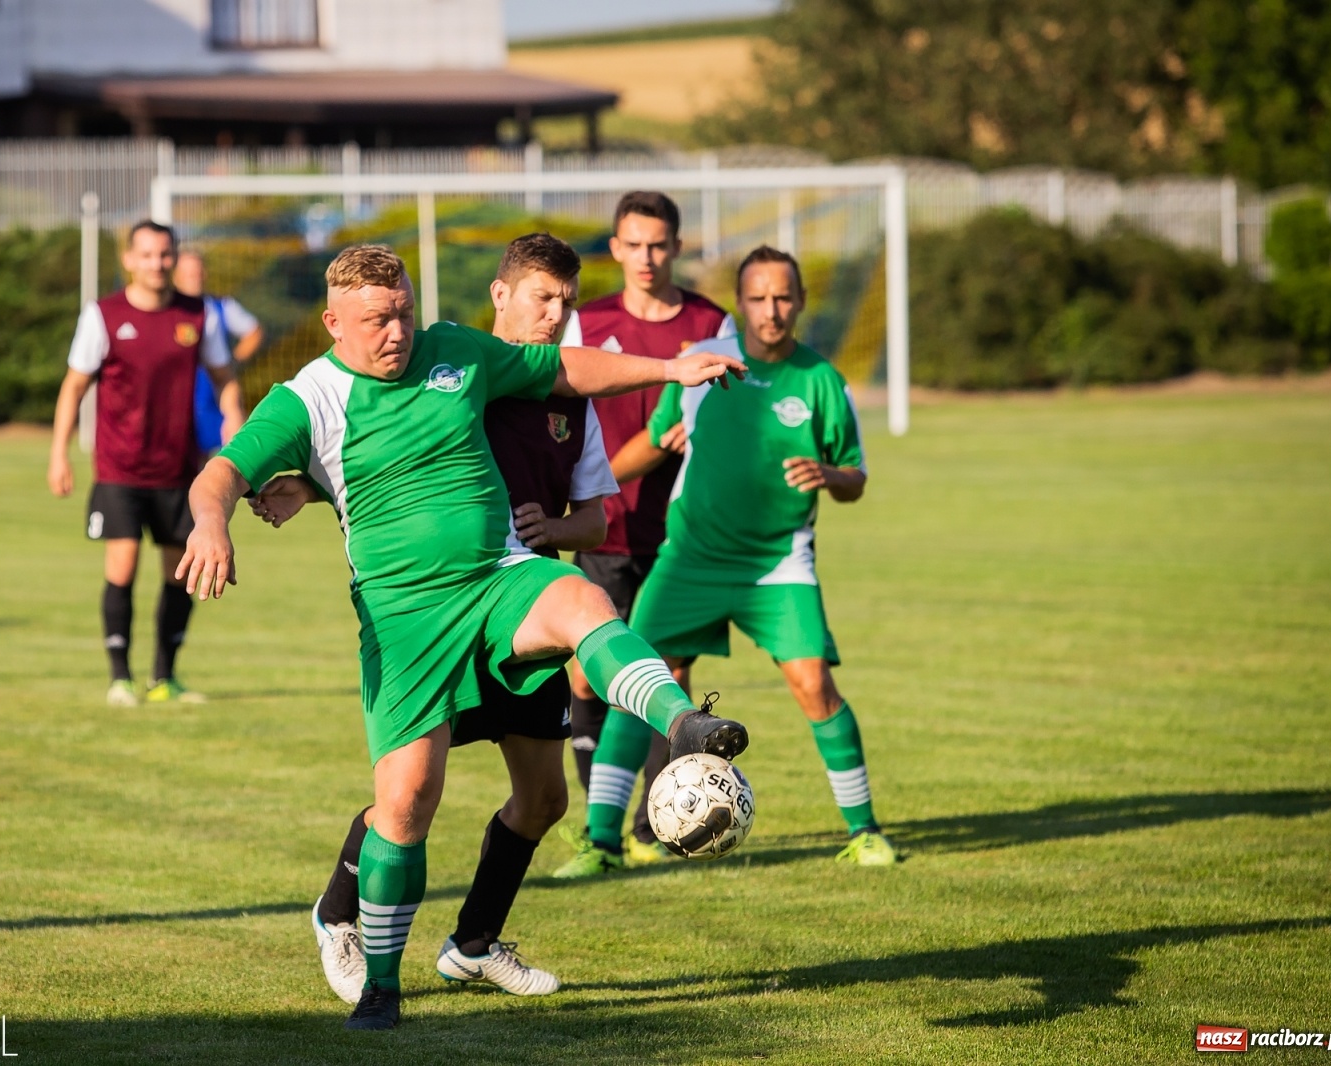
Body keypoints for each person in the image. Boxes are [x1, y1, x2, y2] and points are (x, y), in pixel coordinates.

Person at [176, 243, 751, 1031]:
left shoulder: (454, 348)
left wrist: (670, 369)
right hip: (405, 618)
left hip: (497, 579)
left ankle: (682, 724)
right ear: (334, 323)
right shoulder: (307, 398)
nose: (398, 332)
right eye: (379, 319)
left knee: (580, 599)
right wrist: (213, 527)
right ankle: (381, 985)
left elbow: (560, 372)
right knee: (406, 802)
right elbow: (221, 474)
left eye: (405, 312)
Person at [254, 234, 615, 1003]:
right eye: (540, 299)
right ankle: (339, 912)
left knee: (547, 799)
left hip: (518, 610)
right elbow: (379, 456)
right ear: (501, 297)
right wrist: (307, 484)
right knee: (408, 794)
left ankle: (474, 944)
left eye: (565, 302)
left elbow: (594, 518)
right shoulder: (448, 366)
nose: (553, 317)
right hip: (435, 611)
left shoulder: (564, 401)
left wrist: (557, 533)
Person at [570, 245, 897, 875]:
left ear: (800, 301)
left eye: (782, 297)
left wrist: (829, 474)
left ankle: (865, 831)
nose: (771, 310)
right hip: (689, 558)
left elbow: (856, 477)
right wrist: (589, 487)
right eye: (757, 298)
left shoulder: (823, 381)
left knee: (814, 686)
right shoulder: (708, 368)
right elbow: (654, 441)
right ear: (739, 305)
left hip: (778, 564)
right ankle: (601, 843)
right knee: (637, 685)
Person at [555, 190, 737, 873]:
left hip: (678, 529)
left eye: (658, 244)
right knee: (584, 675)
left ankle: (645, 825)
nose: (646, 257)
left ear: (677, 247)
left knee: (668, 672)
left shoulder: (709, 322)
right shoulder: (585, 320)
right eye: (633, 244)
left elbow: (729, 417)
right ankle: (596, 824)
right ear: (615, 248)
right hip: (601, 516)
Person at [46, 221, 244, 707]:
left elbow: (226, 377)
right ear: (129, 260)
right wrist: (59, 453)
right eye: (148, 255)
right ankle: (119, 678)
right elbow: (74, 386)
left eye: (165, 254)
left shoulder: (199, 315)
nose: (158, 263)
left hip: (180, 470)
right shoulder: (103, 316)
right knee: (123, 564)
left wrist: (234, 419)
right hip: (120, 469)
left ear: (174, 258)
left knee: (179, 573)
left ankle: (164, 678)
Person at [173, 250, 264, 456]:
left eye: (197, 272)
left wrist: (234, 360)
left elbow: (254, 331)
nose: (193, 278)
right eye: (188, 273)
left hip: (215, 398)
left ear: (204, 273)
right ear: (176, 276)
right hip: (178, 402)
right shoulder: (166, 311)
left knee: (222, 466)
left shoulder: (219, 307)